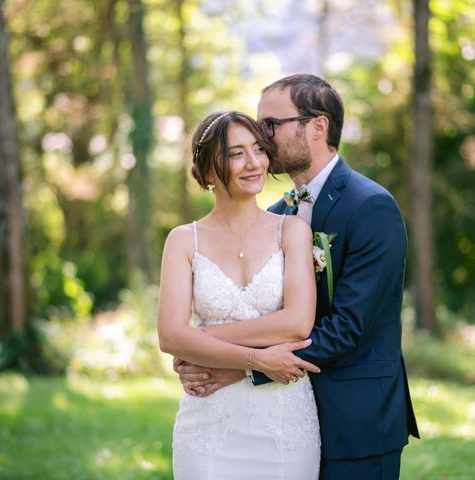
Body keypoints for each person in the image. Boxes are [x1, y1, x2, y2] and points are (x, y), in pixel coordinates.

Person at [176, 74, 420, 479]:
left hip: (356, 418)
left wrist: (237, 365)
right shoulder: (277, 213)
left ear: (318, 126)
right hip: (289, 414)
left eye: (271, 125)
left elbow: (347, 328)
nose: (263, 138)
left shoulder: (371, 206)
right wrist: (204, 354)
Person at [157, 110, 323, 480]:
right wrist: (257, 359)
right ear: (209, 170)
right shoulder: (184, 240)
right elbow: (170, 336)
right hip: (208, 420)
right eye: (236, 154)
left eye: (258, 150)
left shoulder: (292, 231)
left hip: (284, 419)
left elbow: (297, 323)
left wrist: (200, 340)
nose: (254, 163)